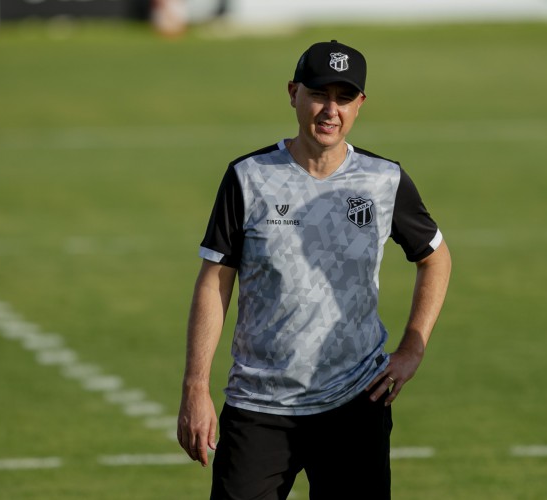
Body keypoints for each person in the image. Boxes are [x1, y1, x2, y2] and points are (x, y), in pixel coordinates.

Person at [176, 40, 452, 499]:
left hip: (355, 404)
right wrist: (195, 386)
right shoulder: (248, 177)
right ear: (293, 93)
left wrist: (411, 350)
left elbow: (435, 257)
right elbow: (215, 281)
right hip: (258, 406)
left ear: (360, 105)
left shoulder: (384, 181)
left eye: (344, 98)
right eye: (319, 93)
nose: (330, 110)